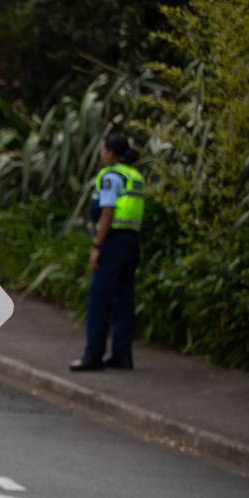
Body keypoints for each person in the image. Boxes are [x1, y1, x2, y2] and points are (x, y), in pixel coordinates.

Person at [71, 132, 145, 372]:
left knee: (99, 298)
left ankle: (93, 355)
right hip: (132, 241)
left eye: (103, 150)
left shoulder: (111, 177)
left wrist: (97, 246)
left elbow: (107, 212)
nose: (102, 154)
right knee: (124, 298)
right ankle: (122, 356)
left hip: (113, 241)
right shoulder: (133, 175)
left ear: (110, 152)